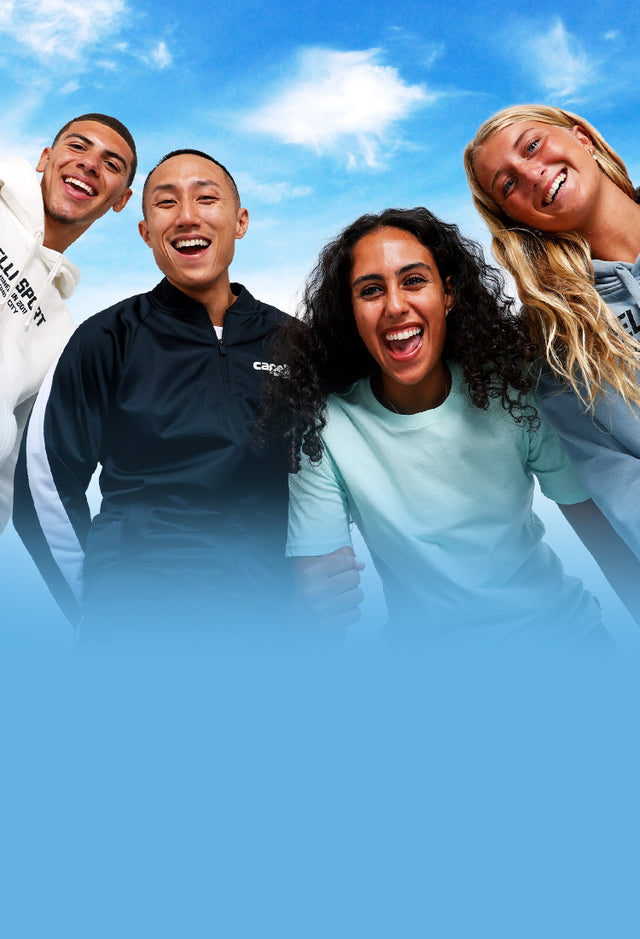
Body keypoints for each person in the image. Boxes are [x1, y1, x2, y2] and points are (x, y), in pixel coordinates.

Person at [265, 207, 640, 648]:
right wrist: (313, 611)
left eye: (414, 280)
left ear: (448, 294)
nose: (395, 305)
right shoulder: (323, 433)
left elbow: (602, 535)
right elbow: (320, 599)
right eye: (370, 290)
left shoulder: (513, 390)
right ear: (349, 313)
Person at [13, 149, 290, 643]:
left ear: (240, 221)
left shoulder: (296, 344)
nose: (187, 216)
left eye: (207, 198)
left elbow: (342, 468)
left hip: (271, 619)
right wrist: (99, 598)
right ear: (145, 232)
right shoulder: (107, 338)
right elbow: (42, 484)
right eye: (165, 203)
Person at [464, 104, 640, 557]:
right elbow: (621, 484)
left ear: (582, 137)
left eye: (533, 146)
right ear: (515, 220)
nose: (531, 173)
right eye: (507, 185)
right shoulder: (554, 345)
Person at [0, 112, 136, 530]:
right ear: (45, 158)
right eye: (78, 146)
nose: (90, 164)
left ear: (121, 201)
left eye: (111, 164)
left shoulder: (63, 333)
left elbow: (13, 474)